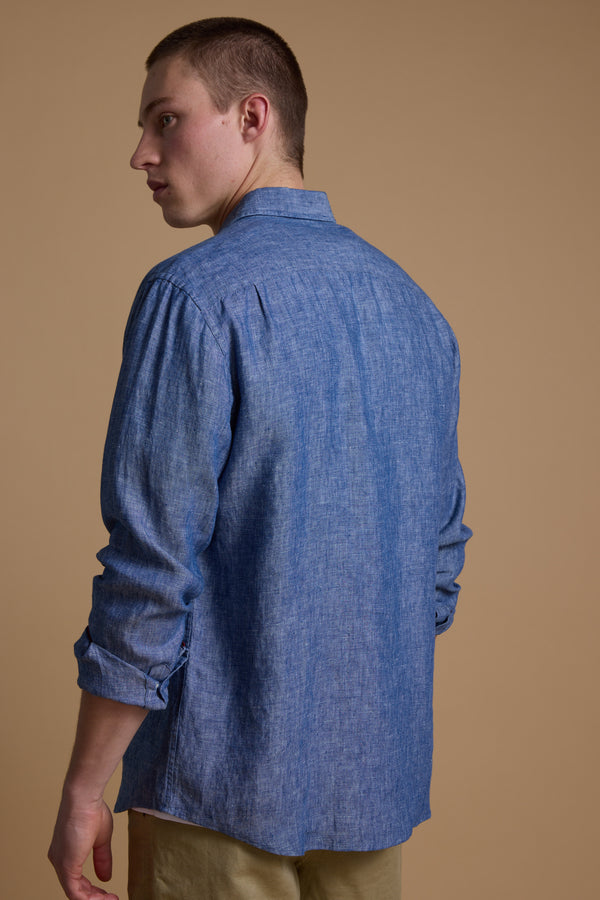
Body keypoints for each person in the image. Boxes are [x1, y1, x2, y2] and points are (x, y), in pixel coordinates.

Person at [48, 17, 471, 900]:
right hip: (373, 796)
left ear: (253, 117)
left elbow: (151, 573)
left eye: (165, 120)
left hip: (216, 794)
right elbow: (436, 566)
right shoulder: (416, 311)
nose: (140, 153)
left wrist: (87, 786)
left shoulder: (191, 298)